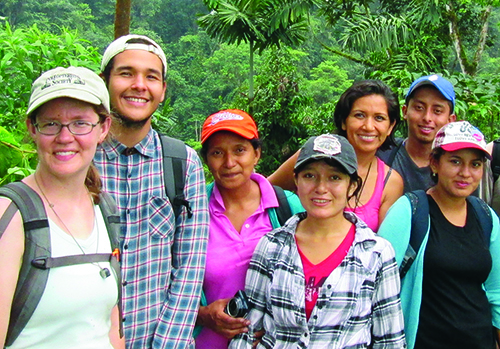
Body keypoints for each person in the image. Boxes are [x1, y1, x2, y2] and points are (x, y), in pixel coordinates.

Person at [230, 134, 406, 348]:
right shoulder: (272, 246)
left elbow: (390, 340)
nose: (321, 188)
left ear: (352, 185)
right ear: (296, 181)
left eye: (335, 178)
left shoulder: (376, 253)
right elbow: (247, 329)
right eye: (310, 176)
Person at [94, 34, 209, 349]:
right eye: (126, 73)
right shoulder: (80, 158)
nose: (139, 85)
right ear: (105, 82)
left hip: (159, 340)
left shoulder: (182, 162)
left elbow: (189, 265)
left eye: (151, 77)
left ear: (162, 91)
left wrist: (168, 343)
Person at [0, 66, 123, 348]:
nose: (65, 137)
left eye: (80, 123)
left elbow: (111, 326)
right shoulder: (12, 214)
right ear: (33, 128)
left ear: (102, 128)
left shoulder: (104, 210)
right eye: (51, 124)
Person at [379, 121, 500, 349]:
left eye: (475, 164)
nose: (465, 173)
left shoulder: (486, 217)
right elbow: (380, 286)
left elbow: (497, 291)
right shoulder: (410, 211)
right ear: (434, 163)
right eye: (455, 162)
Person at [194, 109, 304, 349]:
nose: (229, 162)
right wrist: (203, 314)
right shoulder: (193, 211)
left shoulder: (286, 208)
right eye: (217, 153)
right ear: (206, 160)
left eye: (239, 150)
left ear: (257, 154)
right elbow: (164, 284)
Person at [269, 80, 403, 232]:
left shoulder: (390, 182)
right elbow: (264, 192)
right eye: (359, 115)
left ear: (390, 126)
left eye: (379, 118)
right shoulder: (311, 158)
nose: (368, 126)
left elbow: (385, 243)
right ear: (343, 121)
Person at [377, 74, 456, 193]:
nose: (427, 117)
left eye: (437, 111)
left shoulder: (456, 168)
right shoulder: (381, 155)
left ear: (450, 120)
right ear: (405, 111)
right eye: (419, 108)